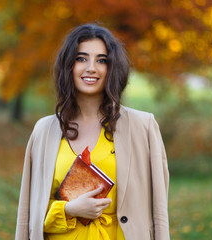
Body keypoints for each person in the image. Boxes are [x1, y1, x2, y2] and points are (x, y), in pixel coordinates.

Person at [15, 23, 170, 240]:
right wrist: (69, 210)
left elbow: (159, 211)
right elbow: (29, 213)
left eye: (101, 60)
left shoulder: (143, 127)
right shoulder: (44, 131)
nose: (91, 68)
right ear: (69, 66)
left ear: (112, 67)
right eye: (81, 58)